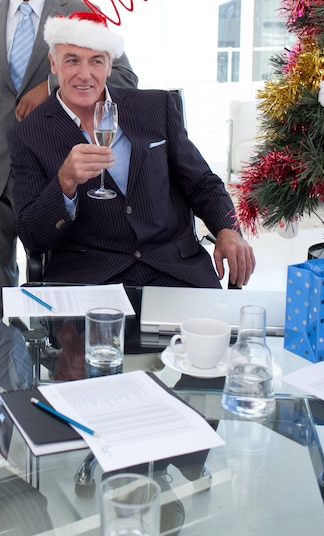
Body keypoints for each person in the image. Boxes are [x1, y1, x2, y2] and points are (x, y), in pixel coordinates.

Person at [7, 11, 255, 290]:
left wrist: (227, 230)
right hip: (90, 279)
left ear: (110, 65)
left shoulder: (155, 107)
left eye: (96, 61)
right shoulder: (28, 134)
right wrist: (64, 183)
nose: (84, 74)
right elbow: (32, 236)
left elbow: (201, 183)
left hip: (174, 269)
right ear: (54, 64)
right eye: (72, 60)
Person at [0, 0, 137, 310]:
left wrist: (51, 86)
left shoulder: (76, 6)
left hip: (48, 167)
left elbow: (125, 79)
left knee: (50, 283)